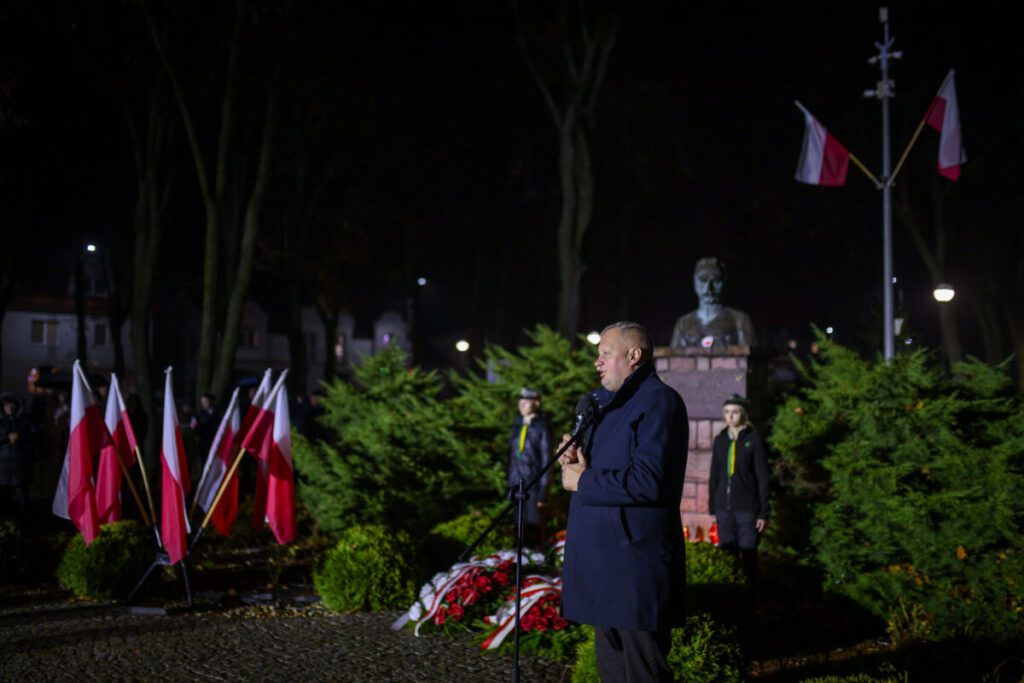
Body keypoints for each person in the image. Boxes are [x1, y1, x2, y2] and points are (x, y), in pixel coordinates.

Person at [559, 321, 689, 682]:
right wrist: (573, 462)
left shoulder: (659, 402)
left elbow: (648, 482)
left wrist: (583, 480)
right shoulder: (605, 407)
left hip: (635, 570)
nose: (597, 363)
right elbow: (590, 476)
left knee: (643, 674)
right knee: (612, 673)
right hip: (606, 567)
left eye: (605, 354)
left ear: (634, 355)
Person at [708, 394, 770, 596]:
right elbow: (714, 473)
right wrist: (712, 503)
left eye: (734, 412)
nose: (730, 416)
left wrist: (763, 512)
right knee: (727, 551)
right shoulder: (720, 440)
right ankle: (730, 593)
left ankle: (752, 594)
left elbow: (762, 477)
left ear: (743, 414)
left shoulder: (753, 441)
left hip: (746, 508)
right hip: (723, 507)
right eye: (726, 412)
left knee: (749, 551)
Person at [670, 257, 757, 349]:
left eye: (716, 281)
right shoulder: (683, 324)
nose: (708, 288)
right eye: (703, 280)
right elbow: (671, 358)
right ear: (695, 282)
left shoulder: (739, 321)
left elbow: (749, 358)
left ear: (724, 281)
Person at [507, 387, 552, 547]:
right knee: (518, 527)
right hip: (516, 484)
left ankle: (536, 560)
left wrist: (542, 493)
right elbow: (512, 457)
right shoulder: (517, 424)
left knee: (533, 527)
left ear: (536, 403)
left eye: (526, 402)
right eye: (521, 401)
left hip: (532, 485)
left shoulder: (541, 426)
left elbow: (547, 460)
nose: (522, 405)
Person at [0, 393, 35, 518]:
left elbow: (34, 436)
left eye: (11, 405)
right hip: (3, 464)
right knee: (4, 493)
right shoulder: (1, 421)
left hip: (19, 462)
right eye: (6, 405)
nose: (9, 408)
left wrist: (20, 437)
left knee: (22, 492)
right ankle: (6, 518)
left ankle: (24, 517)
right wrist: (6, 438)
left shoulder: (24, 420)